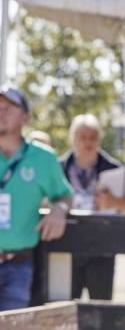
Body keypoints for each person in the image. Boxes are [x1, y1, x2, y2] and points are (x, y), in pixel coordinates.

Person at [0, 86, 73, 311]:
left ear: (25, 118)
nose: (0, 113)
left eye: (8, 109)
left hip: (19, 264)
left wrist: (59, 209)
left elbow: (66, 195)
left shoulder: (43, 158)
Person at [60, 113, 125, 300]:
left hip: (101, 247)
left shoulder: (114, 168)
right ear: (73, 139)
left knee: (101, 309)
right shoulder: (58, 167)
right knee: (64, 309)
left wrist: (113, 202)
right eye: (83, 137)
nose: (88, 142)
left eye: (93, 137)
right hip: (66, 247)